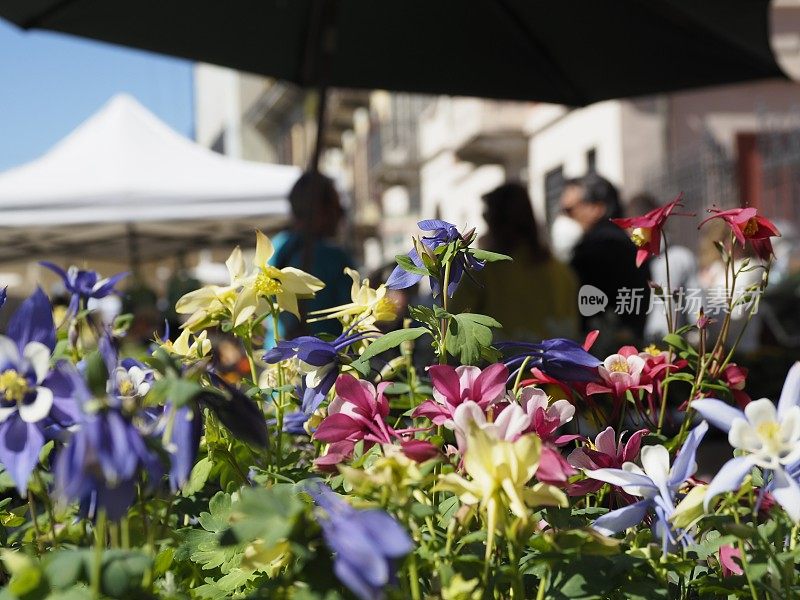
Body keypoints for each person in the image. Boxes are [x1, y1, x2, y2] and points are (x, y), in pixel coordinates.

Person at [453, 182, 578, 342]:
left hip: (500, 364)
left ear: (494, 222)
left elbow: (454, 327)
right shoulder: (561, 271)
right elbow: (570, 327)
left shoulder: (482, 271)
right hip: (551, 363)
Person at [560, 173, 650, 347]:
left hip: (599, 352)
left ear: (597, 208)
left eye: (569, 210)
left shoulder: (594, 250)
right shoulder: (628, 247)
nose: (564, 218)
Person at [268, 171, 355, 340]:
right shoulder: (332, 257)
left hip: (276, 355)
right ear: (322, 211)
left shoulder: (275, 246)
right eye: (338, 209)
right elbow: (355, 313)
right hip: (322, 356)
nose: (339, 217)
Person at [627, 193, 699, 343]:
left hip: (659, 343)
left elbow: (697, 309)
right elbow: (697, 308)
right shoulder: (682, 256)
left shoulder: (679, 258)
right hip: (670, 342)